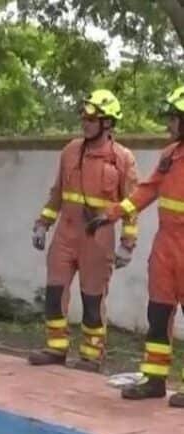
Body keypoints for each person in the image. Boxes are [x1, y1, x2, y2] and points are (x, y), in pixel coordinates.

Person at [28, 89, 139, 372]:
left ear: (107, 122)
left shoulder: (122, 158)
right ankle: (56, 348)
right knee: (54, 293)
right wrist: (42, 223)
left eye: (92, 118)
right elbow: (57, 193)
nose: (85, 123)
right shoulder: (70, 151)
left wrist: (127, 243)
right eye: (84, 117)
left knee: (92, 299)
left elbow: (131, 205)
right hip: (65, 234)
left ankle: (91, 355)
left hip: (97, 238)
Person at [97, 86, 184, 405]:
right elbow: (147, 190)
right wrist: (111, 214)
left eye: (175, 117)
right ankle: (154, 379)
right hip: (166, 246)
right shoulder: (171, 155)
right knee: (158, 313)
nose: (169, 124)